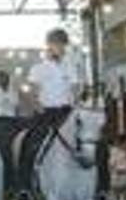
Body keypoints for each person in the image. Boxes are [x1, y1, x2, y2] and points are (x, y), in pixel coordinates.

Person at [14, 28, 80, 191]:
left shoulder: (71, 67)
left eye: (63, 45)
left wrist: (76, 105)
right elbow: (32, 93)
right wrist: (38, 107)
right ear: (49, 46)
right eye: (57, 44)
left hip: (67, 113)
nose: (61, 48)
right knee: (30, 145)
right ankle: (25, 189)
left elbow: (76, 89)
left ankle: (100, 191)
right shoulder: (39, 69)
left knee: (93, 144)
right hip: (46, 113)